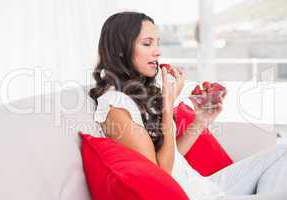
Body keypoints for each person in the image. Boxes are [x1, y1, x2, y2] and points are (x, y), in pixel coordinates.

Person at [89, 11, 287, 200]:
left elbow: (171, 157)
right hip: (192, 196)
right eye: (147, 44)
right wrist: (168, 104)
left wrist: (200, 121)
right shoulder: (115, 107)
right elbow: (160, 176)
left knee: (283, 151)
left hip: (205, 187)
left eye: (157, 43)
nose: (157, 52)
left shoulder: (132, 94)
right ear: (121, 50)